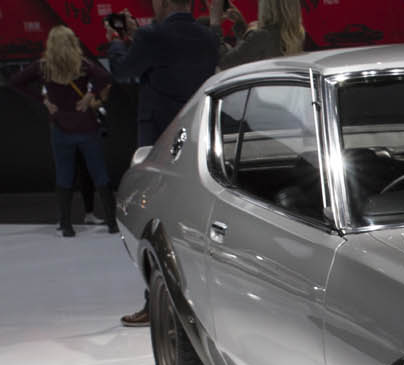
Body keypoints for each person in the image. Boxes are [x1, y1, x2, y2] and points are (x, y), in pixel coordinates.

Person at [107, 0, 220, 326]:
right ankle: (198, 304)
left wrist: (117, 42)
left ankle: (156, 301)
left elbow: (122, 70)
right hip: (197, 136)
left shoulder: (152, 36)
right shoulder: (207, 38)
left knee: (154, 217)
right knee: (193, 220)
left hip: (159, 142)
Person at [10, 26, 116, 238]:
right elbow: (105, 77)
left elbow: (15, 82)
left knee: (64, 175)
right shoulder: (83, 65)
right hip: (86, 126)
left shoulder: (43, 67)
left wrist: (43, 100)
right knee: (99, 174)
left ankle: (67, 226)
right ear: (72, 42)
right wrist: (90, 96)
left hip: (60, 127)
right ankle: (112, 224)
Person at [208, 0, 306, 69]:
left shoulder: (261, 36)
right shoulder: (296, 32)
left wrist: (215, 24)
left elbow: (224, 63)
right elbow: (252, 53)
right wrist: (240, 24)